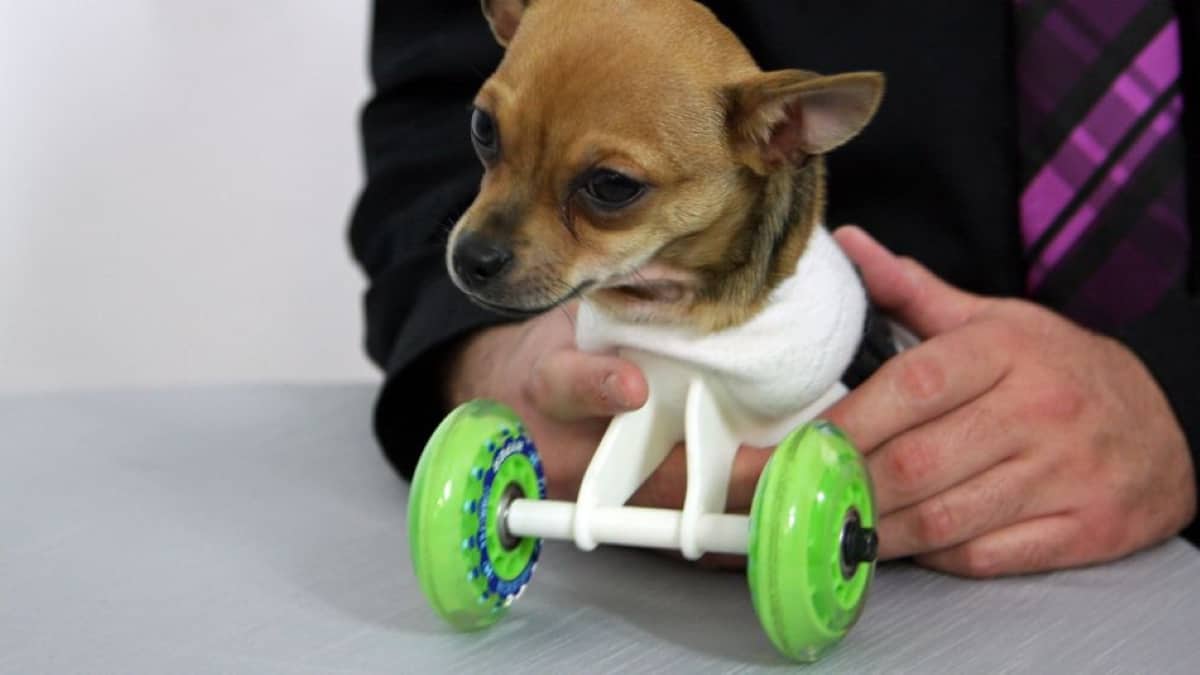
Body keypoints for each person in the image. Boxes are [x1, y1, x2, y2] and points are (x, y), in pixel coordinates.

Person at [347, 0, 1199, 577]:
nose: (496, 222)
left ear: (785, 131)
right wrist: (483, 346)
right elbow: (433, 97)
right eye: (488, 135)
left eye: (608, 187)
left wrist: (1177, 396)